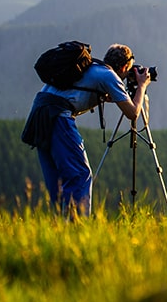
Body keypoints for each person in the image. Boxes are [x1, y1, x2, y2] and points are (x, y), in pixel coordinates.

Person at [29, 43, 151, 217]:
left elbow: (85, 91)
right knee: (80, 174)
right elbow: (133, 113)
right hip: (58, 115)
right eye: (128, 71)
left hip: (39, 113)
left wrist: (118, 94)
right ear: (124, 67)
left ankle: (59, 226)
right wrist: (142, 86)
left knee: (57, 180)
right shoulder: (109, 76)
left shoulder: (91, 67)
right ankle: (77, 227)